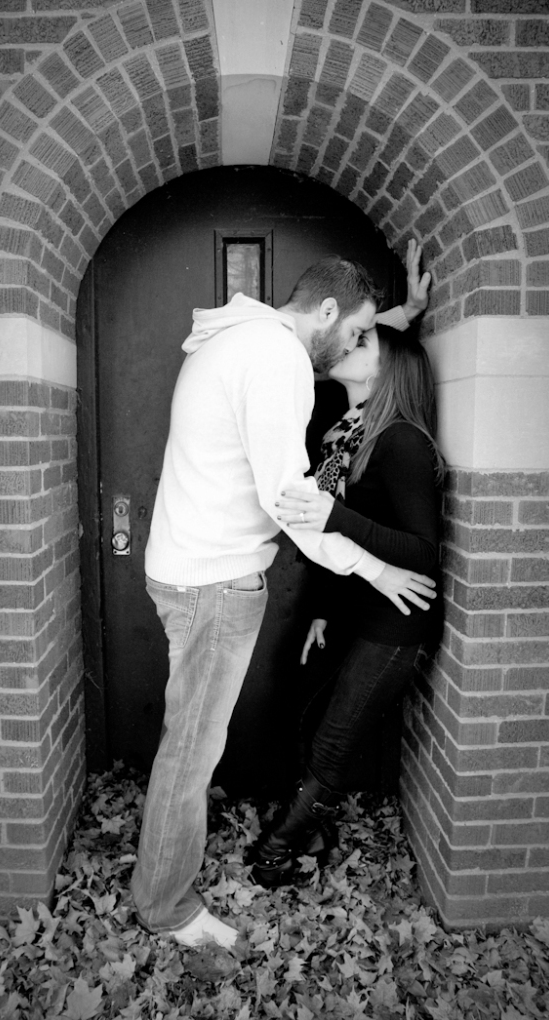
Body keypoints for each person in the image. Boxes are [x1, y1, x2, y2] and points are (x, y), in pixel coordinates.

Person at [131, 245, 432, 949]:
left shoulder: (247, 338)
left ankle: (162, 884)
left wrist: (401, 315)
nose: (357, 345)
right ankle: (166, 906)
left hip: (189, 569)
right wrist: (377, 571)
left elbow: (347, 340)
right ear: (326, 312)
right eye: (357, 331)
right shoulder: (276, 362)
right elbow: (292, 503)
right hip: (214, 582)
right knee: (191, 752)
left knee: (189, 741)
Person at [247, 321, 445, 888]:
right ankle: (312, 833)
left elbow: (423, 551)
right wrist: (324, 609)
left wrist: (337, 515)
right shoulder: (346, 432)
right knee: (312, 719)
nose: (349, 344)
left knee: (334, 738)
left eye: (363, 343)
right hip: (355, 605)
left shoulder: (402, 440)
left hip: (395, 620)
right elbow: (337, 540)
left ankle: (274, 855)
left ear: (386, 371)